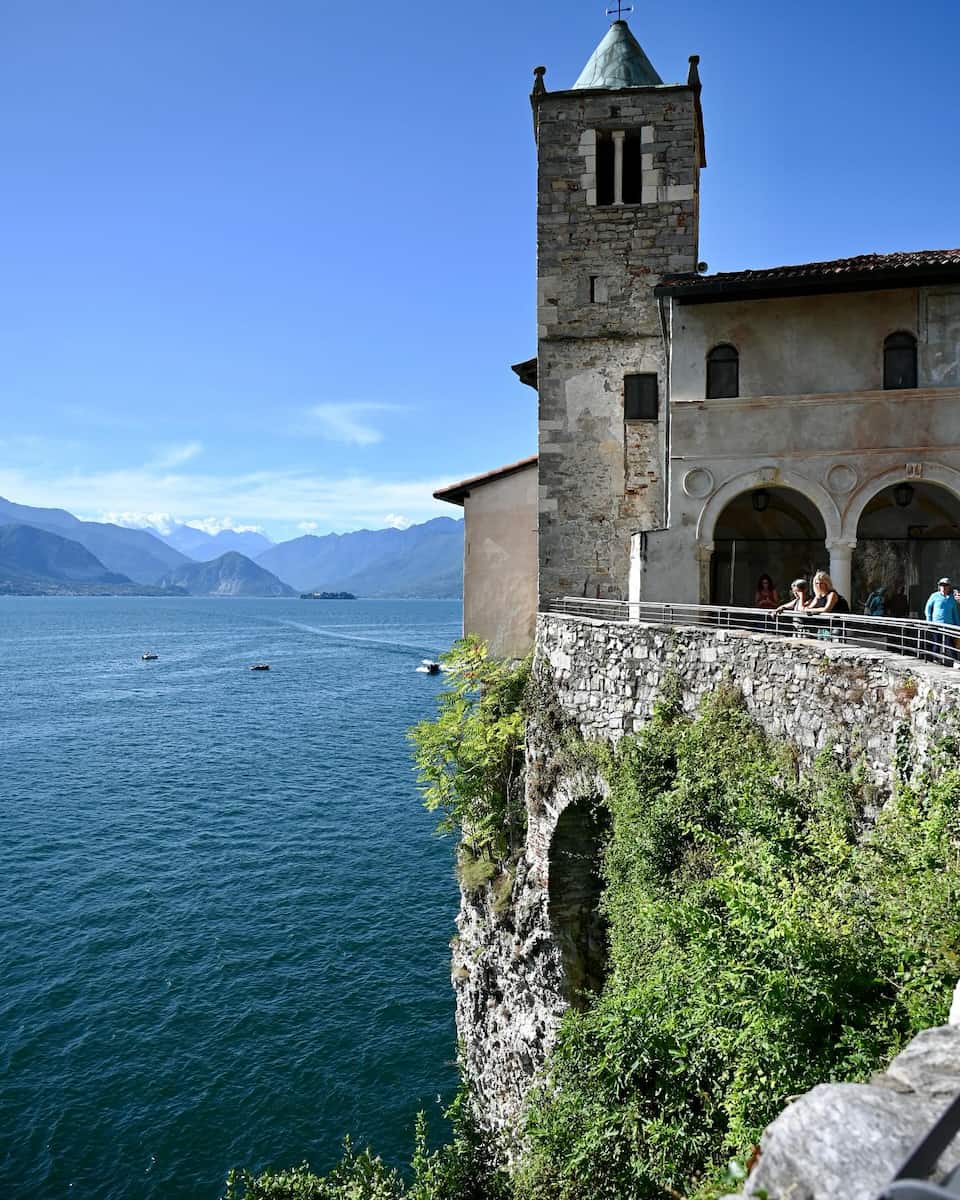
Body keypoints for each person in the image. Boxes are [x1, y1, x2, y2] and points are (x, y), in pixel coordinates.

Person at [924, 577, 960, 666]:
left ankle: (956, 662)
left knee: (950, 644)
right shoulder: (934, 596)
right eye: (942, 585)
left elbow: (955, 612)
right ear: (939, 586)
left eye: (946, 585)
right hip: (936, 624)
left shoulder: (952, 598)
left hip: (949, 625)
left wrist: (958, 625)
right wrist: (929, 621)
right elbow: (928, 608)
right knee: (937, 643)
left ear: (949, 587)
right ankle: (935, 660)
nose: (943, 587)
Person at [804, 570, 849, 640]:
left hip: (836, 625)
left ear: (827, 583)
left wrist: (811, 610)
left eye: (821, 583)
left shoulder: (832, 594)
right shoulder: (818, 596)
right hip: (824, 625)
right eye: (817, 583)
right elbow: (807, 608)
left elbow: (826, 609)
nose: (819, 585)